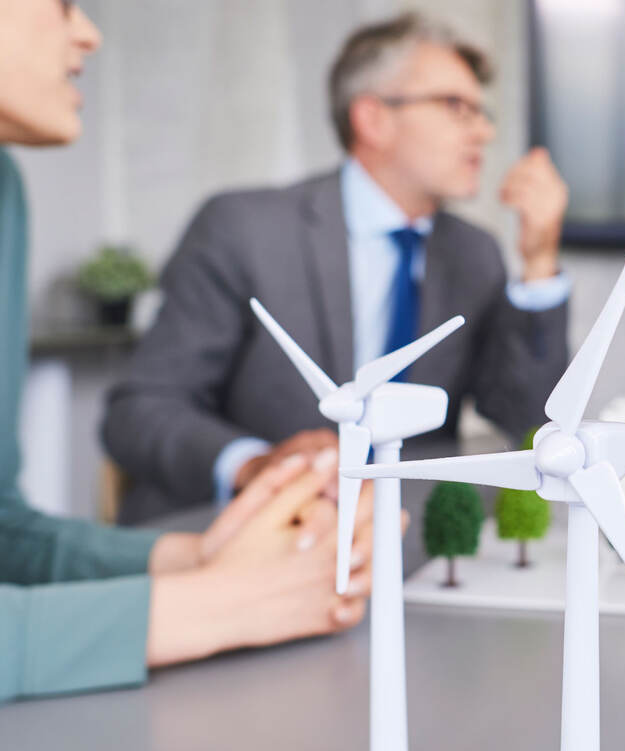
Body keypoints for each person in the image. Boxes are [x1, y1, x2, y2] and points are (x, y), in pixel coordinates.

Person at [0, 0, 373, 704]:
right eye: (60, 4)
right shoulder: (243, 227)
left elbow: (3, 529)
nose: (88, 31)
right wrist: (216, 607)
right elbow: (143, 411)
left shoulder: (4, 192)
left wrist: (204, 558)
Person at [102, 12, 570, 524]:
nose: (482, 130)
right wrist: (256, 465)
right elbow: (139, 411)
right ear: (373, 119)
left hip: (399, 550)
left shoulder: (473, 253)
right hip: (247, 536)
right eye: (456, 106)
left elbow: (531, 423)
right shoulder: (244, 228)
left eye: (483, 113)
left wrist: (539, 263)